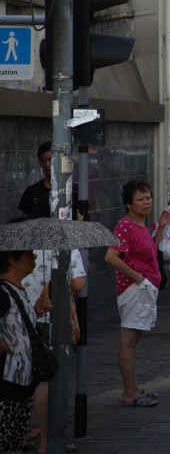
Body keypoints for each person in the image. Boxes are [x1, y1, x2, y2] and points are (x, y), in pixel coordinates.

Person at [105, 180, 170, 407]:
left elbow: (150, 252)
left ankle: (132, 387)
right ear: (128, 204)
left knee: (133, 341)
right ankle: (129, 392)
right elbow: (111, 256)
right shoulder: (125, 225)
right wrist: (138, 278)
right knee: (129, 341)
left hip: (143, 288)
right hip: (134, 290)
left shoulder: (141, 224)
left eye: (148, 198)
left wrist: (161, 227)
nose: (146, 202)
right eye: (140, 199)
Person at [22, 247, 86, 454]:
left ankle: (18, 432)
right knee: (45, 380)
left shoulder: (19, 239)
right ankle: (48, 440)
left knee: (22, 376)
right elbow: (78, 283)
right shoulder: (63, 244)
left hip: (20, 317)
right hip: (50, 318)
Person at [0, 250, 51, 453]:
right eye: (29, 254)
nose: (35, 257)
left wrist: (36, 312)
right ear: (12, 259)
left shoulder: (17, 289)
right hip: (7, 380)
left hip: (21, 382)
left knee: (14, 443)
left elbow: (15, 327)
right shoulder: (2, 292)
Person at [17, 142, 52, 219]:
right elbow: (24, 223)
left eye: (50, 159)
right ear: (40, 163)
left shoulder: (71, 191)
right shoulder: (31, 192)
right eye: (43, 161)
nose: (47, 164)